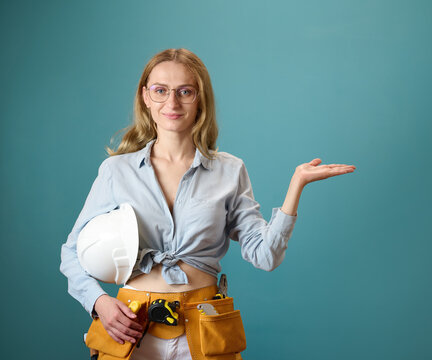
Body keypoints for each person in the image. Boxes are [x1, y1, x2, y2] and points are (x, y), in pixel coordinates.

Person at [60, 48, 355, 360]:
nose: (171, 103)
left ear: (200, 98)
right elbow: (72, 252)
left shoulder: (230, 170)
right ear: (145, 96)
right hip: (129, 329)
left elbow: (266, 256)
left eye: (184, 92)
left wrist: (296, 186)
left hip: (203, 330)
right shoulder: (116, 171)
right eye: (160, 91)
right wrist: (99, 302)